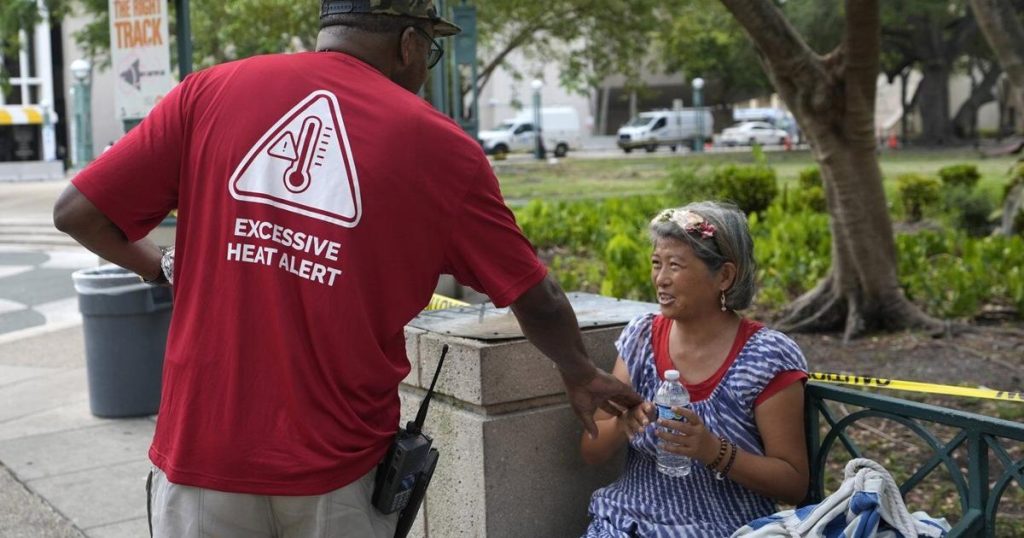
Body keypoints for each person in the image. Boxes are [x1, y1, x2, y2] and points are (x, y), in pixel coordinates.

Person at [53, 2, 640, 536]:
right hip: (337, 473)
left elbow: (78, 213)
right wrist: (578, 371)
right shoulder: (440, 148)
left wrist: (162, 269)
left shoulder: (209, 91)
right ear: (409, 45)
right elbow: (535, 294)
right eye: (430, 51)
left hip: (200, 459)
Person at [580, 201, 810, 537]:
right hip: (623, 523)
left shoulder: (764, 357)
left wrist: (712, 451)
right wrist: (622, 424)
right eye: (656, 263)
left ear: (725, 276)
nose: (661, 279)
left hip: (721, 529)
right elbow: (590, 450)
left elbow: (793, 485)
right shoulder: (641, 338)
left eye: (676, 265)